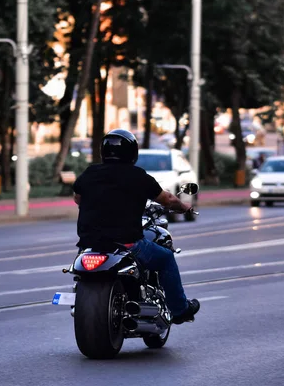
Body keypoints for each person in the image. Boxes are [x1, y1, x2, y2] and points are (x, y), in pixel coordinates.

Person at [72, 129, 200, 325]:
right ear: (133, 152)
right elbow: (167, 199)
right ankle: (180, 310)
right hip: (127, 244)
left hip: (89, 244)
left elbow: (78, 198)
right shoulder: (138, 176)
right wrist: (183, 207)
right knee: (166, 258)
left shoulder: (89, 173)